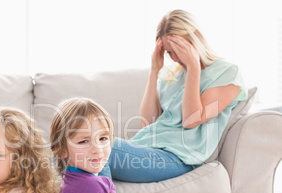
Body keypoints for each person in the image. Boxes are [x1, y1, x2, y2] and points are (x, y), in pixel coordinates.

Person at [99, 9, 247, 183]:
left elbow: (191, 120)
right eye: (169, 52)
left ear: (196, 37)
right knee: (71, 148)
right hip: (146, 145)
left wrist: (194, 68)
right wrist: (155, 70)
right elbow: (147, 121)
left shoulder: (227, 73)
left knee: (95, 145)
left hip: (177, 157)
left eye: (179, 49)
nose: (175, 58)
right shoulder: (173, 75)